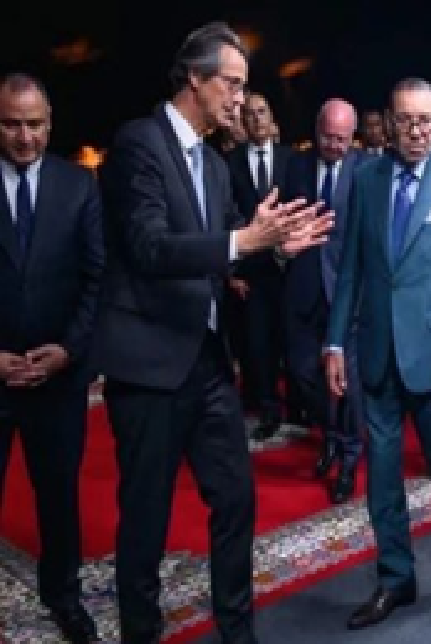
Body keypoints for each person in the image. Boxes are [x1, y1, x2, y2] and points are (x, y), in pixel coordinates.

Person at [92, 22, 332, 643]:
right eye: (233, 84)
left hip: (206, 362)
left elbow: (230, 251)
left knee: (235, 499)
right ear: (195, 79)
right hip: (147, 368)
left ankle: (237, 630)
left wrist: (275, 249)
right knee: (146, 514)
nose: (240, 99)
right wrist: (244, 239)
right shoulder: (138, 144)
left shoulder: (215, 165)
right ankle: (140, 631)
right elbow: (149, 247)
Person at [325, 78, 431, 629]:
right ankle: (396, 577)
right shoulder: (367, 180)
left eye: (425, 121)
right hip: (378, 356)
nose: (416, 131)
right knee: (383, 478)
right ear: (390, 123)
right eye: (406, 121)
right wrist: (334, 340)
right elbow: (351, 270)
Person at [0, 72, 103, 643]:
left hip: (58, 378)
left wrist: (66, 351)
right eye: (11, 124)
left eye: (34, 124)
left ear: (50, 123)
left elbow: (96, 278)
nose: (24, 137)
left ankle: (63, 596)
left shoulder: (79, 185)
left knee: (59, 497)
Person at [284, 98, 366, 504]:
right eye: (328, 137)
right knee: (303, 373)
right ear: (317, 131)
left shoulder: (365, 171)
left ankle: (348, 457)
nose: (334, 145)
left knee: (346, 382)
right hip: (303, 286)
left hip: (348, 293)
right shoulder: (295, 166)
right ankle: (329, 435)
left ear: (353, 137)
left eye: (342, 139)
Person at [227, 91, 292, 439]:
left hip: (290, 269)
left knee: (291, 340)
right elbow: (225, 217)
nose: (256, 119)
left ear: (271, 117)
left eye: (262, 112)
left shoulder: (291, 159)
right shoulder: (229, 163)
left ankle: (299, 404)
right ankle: (268, 410)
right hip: (251, 272)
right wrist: (231, 272)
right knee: (258, 344)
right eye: (249, 114)